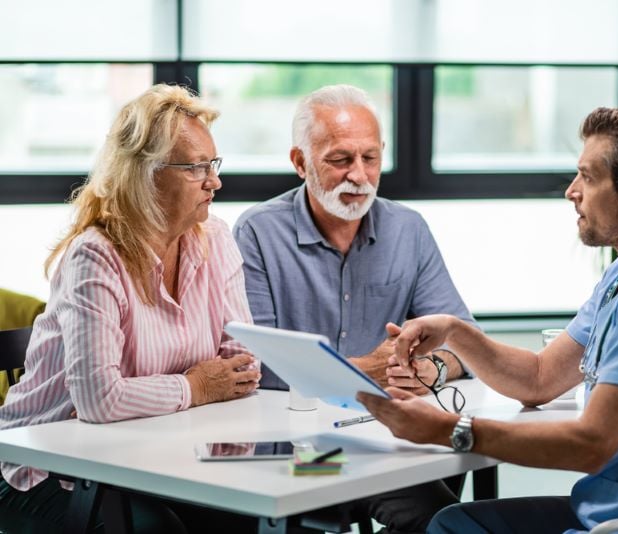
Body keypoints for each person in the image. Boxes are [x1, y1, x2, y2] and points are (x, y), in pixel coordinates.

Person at [357, 107, 618, 533]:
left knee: (451, 528)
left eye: (588, 177)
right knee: (454, 521)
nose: (572, 191)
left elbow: (591, 445)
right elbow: (540, 377)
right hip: (614, 506)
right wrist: (455, 332)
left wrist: (450, 430)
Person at [0, 84, 261, 532]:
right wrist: (195, 387)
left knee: (243, 515)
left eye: (213, 164)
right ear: (146, 173)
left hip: (150, 453)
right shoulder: (95, 255)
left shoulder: (216, 237)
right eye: (196, 167)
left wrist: (183, 388)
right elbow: (100, 399)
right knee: (160, 531)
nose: (214, 181)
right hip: (43, 469)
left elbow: (242, 364)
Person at [233, 84, 474, 532]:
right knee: (434, 512)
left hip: (383, 436)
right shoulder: (258, 233)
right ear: (300, 162)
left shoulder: (408, 229)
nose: (359, 175)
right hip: (296, 447)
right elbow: (256, 370)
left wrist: (431, 369)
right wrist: (365, 371)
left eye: (370, 158)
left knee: (451, 504)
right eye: (341, 160)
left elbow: (462, 338)